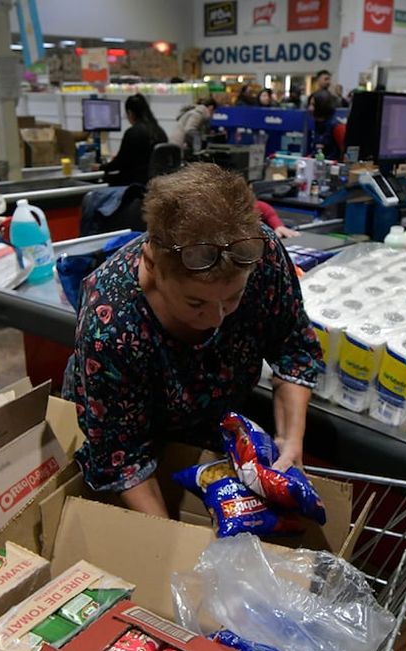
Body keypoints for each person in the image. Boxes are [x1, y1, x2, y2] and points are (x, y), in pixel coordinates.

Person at [62, 163, 321, 515]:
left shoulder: (264, 256)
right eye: (196, 303)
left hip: (214, 423)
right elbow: (122, 460)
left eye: (232, 298)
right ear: (152, 264)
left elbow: (292, 346)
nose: (217, 319)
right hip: (128, 429)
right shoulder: (109, 325)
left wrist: (291, 441)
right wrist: (171, 545)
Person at [103, 93, 168, 187]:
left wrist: (102, 167)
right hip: (154, 185)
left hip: (134, 186)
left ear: (130, 113)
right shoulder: (160, 132)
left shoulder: (133, 132)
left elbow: (120, 163)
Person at [307, 90, 344, 160]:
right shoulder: (317, 124)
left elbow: (346, 155)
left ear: (322, 106)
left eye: (313, 105)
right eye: (310, 104)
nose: (310, 108)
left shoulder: (337, 127)